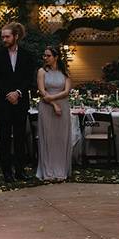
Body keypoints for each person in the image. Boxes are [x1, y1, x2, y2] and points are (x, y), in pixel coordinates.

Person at [0, 21, 37, 182]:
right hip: (4, 102)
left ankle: (20, 171)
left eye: (7, 36)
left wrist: (18, 92)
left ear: (15, 36)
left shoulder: (27, 55)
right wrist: (8, 94)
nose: (4, 39)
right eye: (2, 36)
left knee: (19, 136)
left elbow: (28, 78)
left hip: (21, 101)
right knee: (4, 137)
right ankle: (7, 172)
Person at [36, 46, 73, 182]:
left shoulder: (65, 72)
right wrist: (53, 104)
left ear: (56, 57)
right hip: (47, 108)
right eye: (44, 56)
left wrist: (51, 98)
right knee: (48, 138)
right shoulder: (41, 71)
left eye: (48, 56)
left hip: (62, 106)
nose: (45, 58)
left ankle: (61, 170)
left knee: (61, 138)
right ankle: (48, 171)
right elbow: (42, 90)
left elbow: (66, 91)